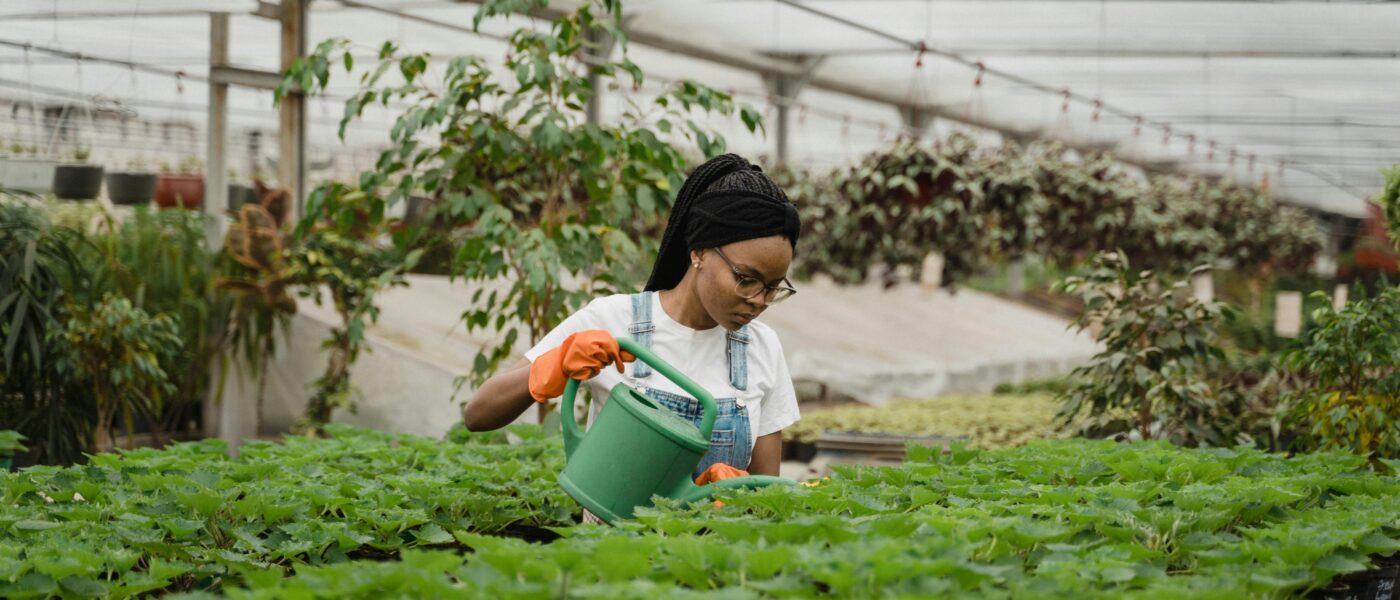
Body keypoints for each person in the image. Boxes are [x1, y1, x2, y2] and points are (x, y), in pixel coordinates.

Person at [463, 153, 802, 481]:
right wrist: (557, 363)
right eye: (746, 279)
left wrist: (731, 493)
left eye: (773, 288)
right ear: (699, 252)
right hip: (617, 540)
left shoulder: (762, 348)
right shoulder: (612, 320)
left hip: (712, 540)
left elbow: (764, 495)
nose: (759, 301)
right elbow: (478, 414)